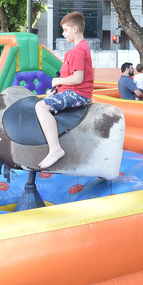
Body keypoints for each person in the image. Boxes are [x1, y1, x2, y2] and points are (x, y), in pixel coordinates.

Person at [35, 11, 94, 169]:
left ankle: (55, 148)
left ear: (75, 29)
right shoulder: (80, 48)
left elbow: (78, 78)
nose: (63, 33)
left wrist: (57, 81)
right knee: (45, 100)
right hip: (74, 92)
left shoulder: (77, 51)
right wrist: (58, 89)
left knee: (41, 106)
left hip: (79, 94)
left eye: (65, 30)